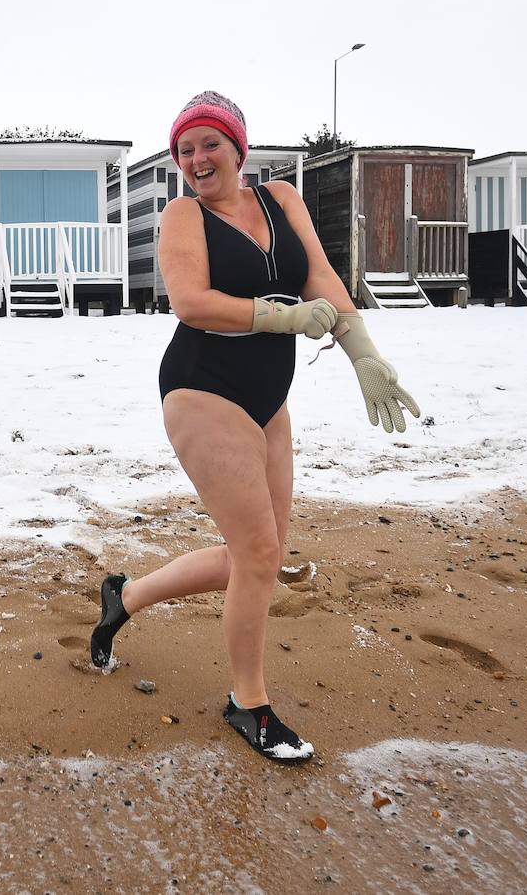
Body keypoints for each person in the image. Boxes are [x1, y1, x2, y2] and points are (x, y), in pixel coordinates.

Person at [90, 91, 420, 764]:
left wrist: (364, 356)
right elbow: (191, 301)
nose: (196, 159)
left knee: (255, 556)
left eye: (209, 144)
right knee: (261, 554)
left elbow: (321, 277)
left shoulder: (281, 199)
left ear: (238, 147)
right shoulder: (184, 214)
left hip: (269, 398)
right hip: (200, 386)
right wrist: (282, 318)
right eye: (184, 149)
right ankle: (249, 701)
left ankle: (125, 598)